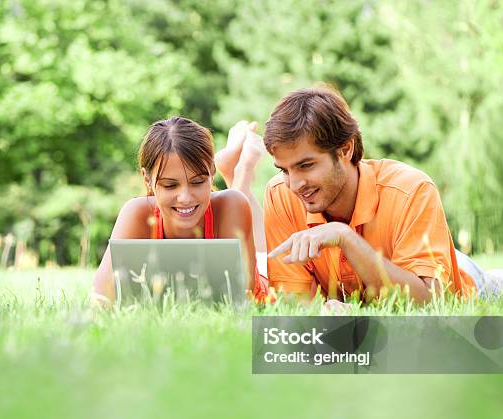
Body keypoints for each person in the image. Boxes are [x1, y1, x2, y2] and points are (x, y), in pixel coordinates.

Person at [262, 86, 501, 305]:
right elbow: (292, 302)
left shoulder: (411, 189)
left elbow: (429, 303)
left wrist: (345, 237)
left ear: (346, 149)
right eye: (284, 170)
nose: (294, 185)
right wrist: (328, 313)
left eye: (306, 165)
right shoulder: (280, 195)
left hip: (466, 281)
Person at [92, 116, 270, 305]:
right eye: (170, 185)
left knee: (257, 242)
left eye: (197, 182)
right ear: (146, 179)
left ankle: (243, 168)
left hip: (263, 278)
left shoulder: (232, 203)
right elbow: (99, 297)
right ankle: (231, 168)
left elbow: (241, 296)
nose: (185, 197)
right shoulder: (136, 212)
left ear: (211, 171)